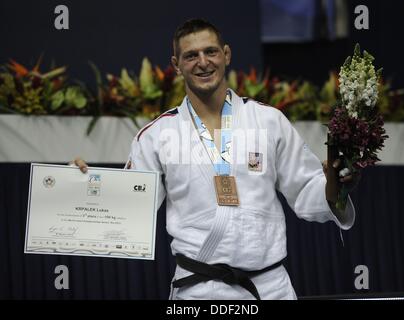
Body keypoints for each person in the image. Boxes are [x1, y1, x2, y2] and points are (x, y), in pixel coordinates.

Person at [72, 18, 360, 300]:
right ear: (176, 65)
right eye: (191, 55)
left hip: (271, 287)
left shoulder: (268, 121)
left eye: (210, 51)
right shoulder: (157, 134)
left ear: (226, 54)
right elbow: (131, 207)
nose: (203, 62)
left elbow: (306, 186)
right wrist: (83, 188)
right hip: (199, 290)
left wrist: (335, 186)